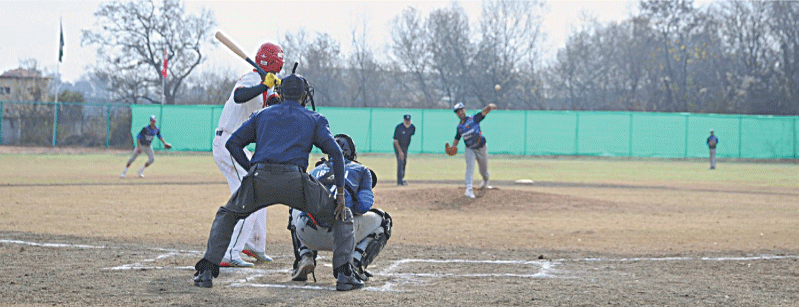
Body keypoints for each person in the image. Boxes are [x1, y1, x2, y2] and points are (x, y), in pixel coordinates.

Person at [193, 71, 363, 291]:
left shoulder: (262, 115)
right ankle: (344, 275)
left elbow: (233, 143)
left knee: (227, 215)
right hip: (296, 182)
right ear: (304, 96)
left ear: (280, 93)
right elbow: (337, 154)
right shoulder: (315, 119)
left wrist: (251, 170)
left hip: (260, 179)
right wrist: (340, 195)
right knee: (343, 216)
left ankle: (206, 271)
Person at [212, 42, 284, 268]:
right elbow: (239, 97)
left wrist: (281, 91)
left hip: (239, 145)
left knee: (260, 190)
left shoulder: (267, 83)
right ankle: (229, 252)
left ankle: (254, 245)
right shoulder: (251, 79)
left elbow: (274, 105)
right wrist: (264, 85)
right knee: (249, 194)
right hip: (228, 142)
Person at [288, 134, 392, 283]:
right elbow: (363, 207)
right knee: (384, 220)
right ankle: (355, 263)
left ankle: (304, 257)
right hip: (342, 236)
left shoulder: (315, 170)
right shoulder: (362, 170)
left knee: (296, 206)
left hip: (308, 233)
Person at [449, 102, 497, 198]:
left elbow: (483, 113)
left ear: (465, 110)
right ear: (457, 114)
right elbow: (457, 138)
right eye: (458, 112)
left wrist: (489, 107)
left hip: (481, 147)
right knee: (469, 168)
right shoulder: (459, 127)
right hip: (470, 149)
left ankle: (485, 180)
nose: (460, 113)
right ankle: (469, 189)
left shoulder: (473, 119)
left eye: (461, 110)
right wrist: (453, 147)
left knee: (484, 170)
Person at [393, 114, 415, 185]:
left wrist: (404, 150)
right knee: (400, 162)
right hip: (398, 146)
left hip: (405, 147)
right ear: (404, 120)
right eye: (406, 120)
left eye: (409, 120)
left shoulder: (412, 128)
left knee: (404, 162)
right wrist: (400, 151)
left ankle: (402, 179)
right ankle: (399, 180)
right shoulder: (399, 128)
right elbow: (395, 141)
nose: (407, 122)